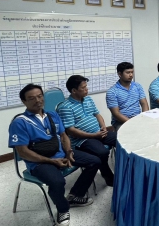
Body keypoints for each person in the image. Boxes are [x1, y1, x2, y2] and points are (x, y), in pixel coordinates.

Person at [9, 84, 100, 226]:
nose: (37, 100)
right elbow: (23, 152)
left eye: (40, 96)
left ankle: (75, 196)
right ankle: (63, 209)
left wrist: (69, 152)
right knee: (57, 182)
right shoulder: (19, 122)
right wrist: (52, 162)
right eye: (31, 98)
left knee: (94, 161)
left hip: (62, 154)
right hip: (39, 162)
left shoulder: (52, 115)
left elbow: (63, 136)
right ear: (24, 102)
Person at [57, 75, 116, 187]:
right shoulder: (65, 107)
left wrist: (103, 126)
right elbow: (71, 130)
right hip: (82, 140)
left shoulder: (88, 99)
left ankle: (127, 171)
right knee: (102, 152)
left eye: (86, 86)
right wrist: (94, 135)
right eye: (83, 88)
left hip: (98, 133)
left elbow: (97, 114)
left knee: (121, 139)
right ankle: (109, 177)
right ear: (74, 90)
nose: (86, 89)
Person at [106, 62, 149, 131]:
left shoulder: (137, 86)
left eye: (132, 72)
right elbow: (116, 114)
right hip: (121, 122)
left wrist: (144, 116)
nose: (131, 75)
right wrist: (132, 123)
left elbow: (144, 103)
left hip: (138, 117)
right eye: (128, 72)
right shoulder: (112, 92)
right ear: (120, 74)